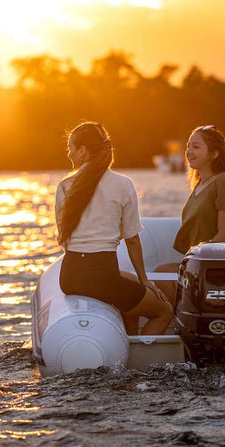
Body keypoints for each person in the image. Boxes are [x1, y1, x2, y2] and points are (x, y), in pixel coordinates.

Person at [55, 121, 174, 335]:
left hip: (69, 276)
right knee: (164, 310)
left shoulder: (64, 186)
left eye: (71, 148)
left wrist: (139, 282)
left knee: (130, 284)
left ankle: (128, 340)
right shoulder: (123, 184)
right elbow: (132, 240)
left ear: (83, 151)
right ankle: (138, 364)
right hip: (102, 278)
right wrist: (146, 281)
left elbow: (64, 240)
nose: (69, 154)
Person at [151, 124, 225, 305]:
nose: (189, 151)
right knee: (158, 274)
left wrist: (196, 262)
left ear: (214, 154)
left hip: (216, 265)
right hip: (197, 263)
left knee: (161, 275)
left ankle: (184, 318)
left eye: (196, 146)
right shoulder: (199, 185)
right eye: (188, 146)